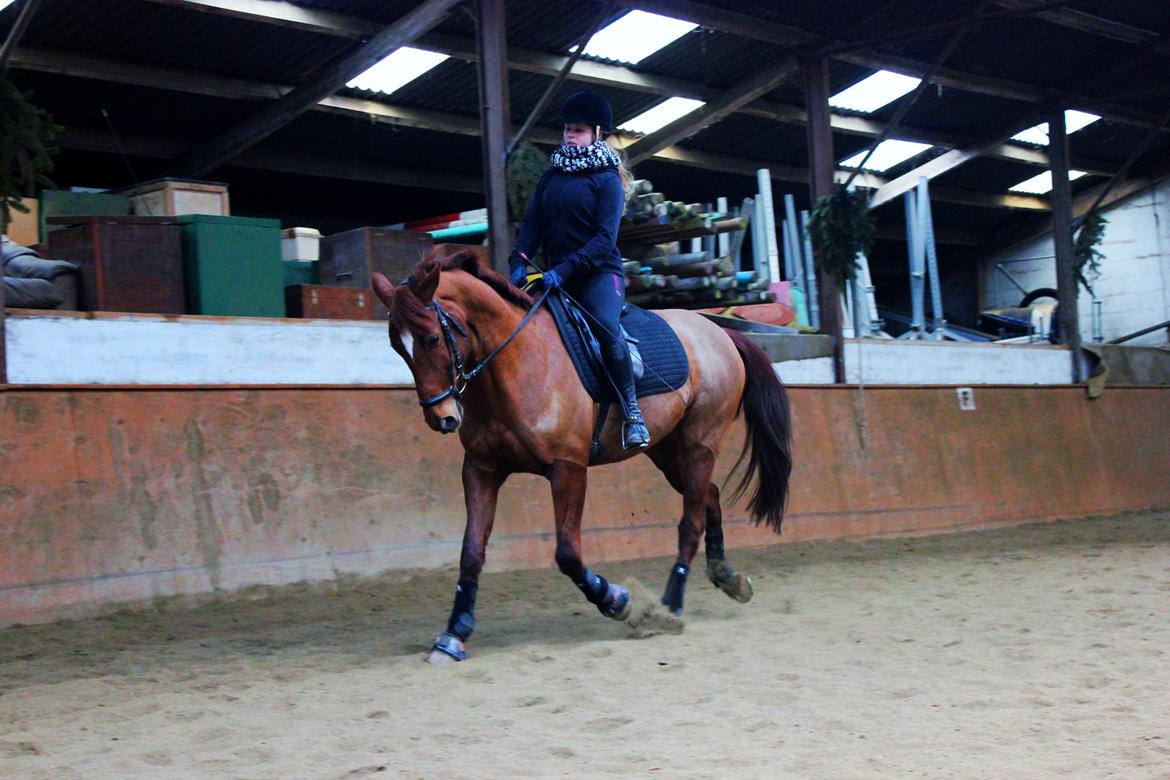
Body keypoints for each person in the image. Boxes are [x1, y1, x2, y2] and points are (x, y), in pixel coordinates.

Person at [507, 89, 650, 451]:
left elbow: (604, 239)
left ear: (597, 133)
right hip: (556, 274)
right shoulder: (550, 178)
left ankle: (632, 413)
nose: (571, 135)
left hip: (598, 273)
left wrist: (565, 269)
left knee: (605, 329)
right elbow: (532, 223)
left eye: (580, 130)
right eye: (568, 129)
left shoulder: (607, 181)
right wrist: (519, 260)